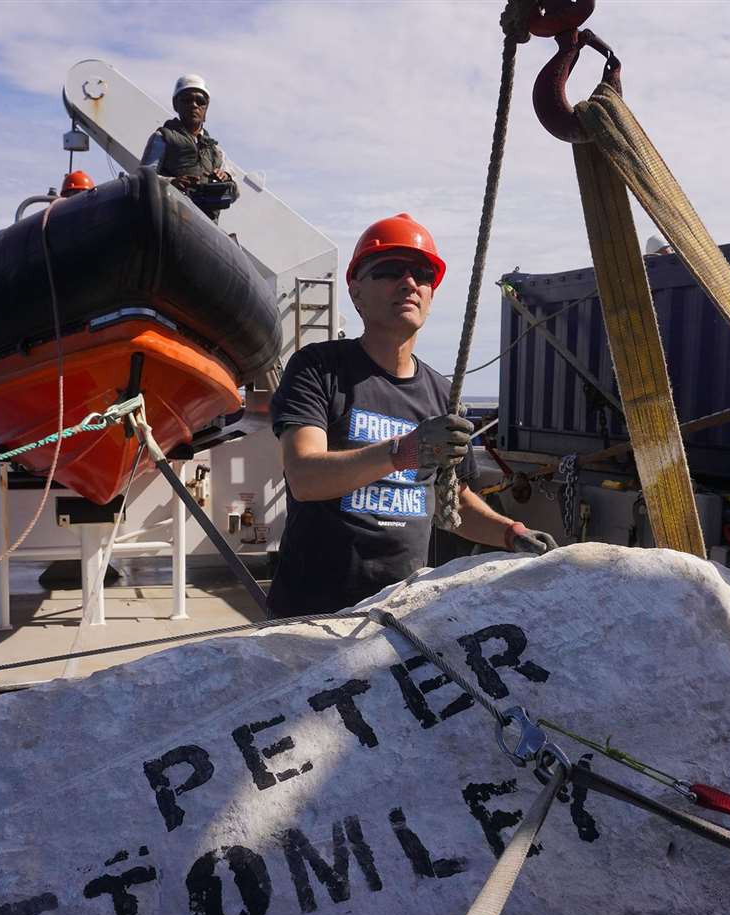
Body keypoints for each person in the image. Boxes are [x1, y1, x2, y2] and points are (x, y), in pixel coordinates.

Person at [268, 213, 557, 617]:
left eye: (422, 274)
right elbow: (305, 478)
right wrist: (405, 452)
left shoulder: (442, 393)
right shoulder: (319, 368)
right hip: (313, 614)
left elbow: (451, 502)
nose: (409, 283)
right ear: (356, 292)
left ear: (431, 294)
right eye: (389, 270)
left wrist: (510, 533)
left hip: (400, 613)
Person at [140, 74, 238, 219]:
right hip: (171, 217)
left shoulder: (216, 151)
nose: (194, 105)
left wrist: (226, 178)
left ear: (206, 108)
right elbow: (143, 178)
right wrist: (172, 183)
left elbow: (235, 193)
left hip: (206, 226)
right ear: (175, 105)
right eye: (187, 100)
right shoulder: (162, 138)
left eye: (200, 101)